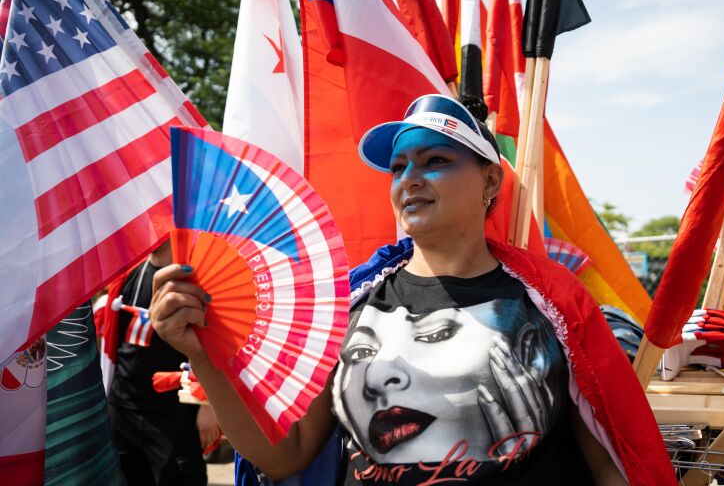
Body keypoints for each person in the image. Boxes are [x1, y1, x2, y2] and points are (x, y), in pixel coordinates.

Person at [150, 94, 674, 485]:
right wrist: (206, 360)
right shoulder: (348, 303)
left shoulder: (552, 304)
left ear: (490, 182)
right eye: (399, 167)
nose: (409, 179)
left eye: (436, 161)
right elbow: (287, 455)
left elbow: (610, 456)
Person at [107, 240, 220, 486]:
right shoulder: (129, 273)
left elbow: (216, 344)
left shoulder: (194, 279)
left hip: (171, 414)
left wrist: (209, 403)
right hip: (122, 407)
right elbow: (112, 338)